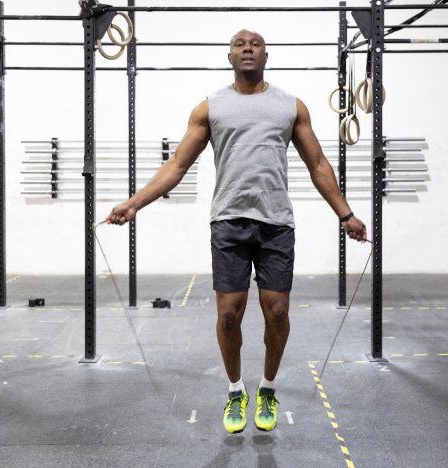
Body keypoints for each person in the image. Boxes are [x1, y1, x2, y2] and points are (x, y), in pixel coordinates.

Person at [106, 29, 367, 434]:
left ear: (266, 55)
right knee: (229, 315)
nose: (248, 48)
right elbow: (177, 165)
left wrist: (345, 214)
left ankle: (266, 388)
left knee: (277, 311)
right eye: (240, 44)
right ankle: (234, 391)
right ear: (229, 56)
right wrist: (134, 202)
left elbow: (317, 164)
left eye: (256, 44)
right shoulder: (210, 107)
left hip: (276, 222)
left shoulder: (290, 106)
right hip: (228, 221)